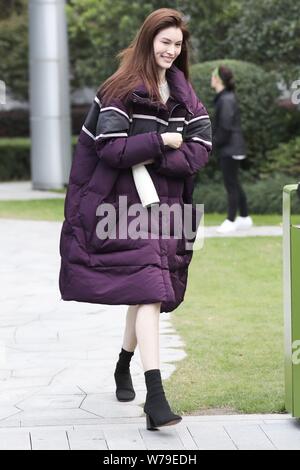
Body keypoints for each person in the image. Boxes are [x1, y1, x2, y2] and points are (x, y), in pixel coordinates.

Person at [58, 8, 212, 431]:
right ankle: (156, 399)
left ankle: (124, 363)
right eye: (165, 41)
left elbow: (201, 148)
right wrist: (162, 140)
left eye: (177, 44)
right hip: (122, 208)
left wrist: (154, 153)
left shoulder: (186, 95)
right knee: (149, 290)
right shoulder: (119, 90)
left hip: (168, 209)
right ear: (148, 40)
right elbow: (110, 149)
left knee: (148, 291)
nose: (171, 50)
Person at [211, 65, 253, 234]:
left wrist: (212, 144)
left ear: (217, 79)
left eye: (212, 76)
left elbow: (225, 128)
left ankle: (230, 220)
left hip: (231, 148)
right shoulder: (225, 98)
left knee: (231, 185)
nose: (210, 79)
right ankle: (244, 217)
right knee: (235, 182)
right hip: (233, 147)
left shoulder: (226, 99)